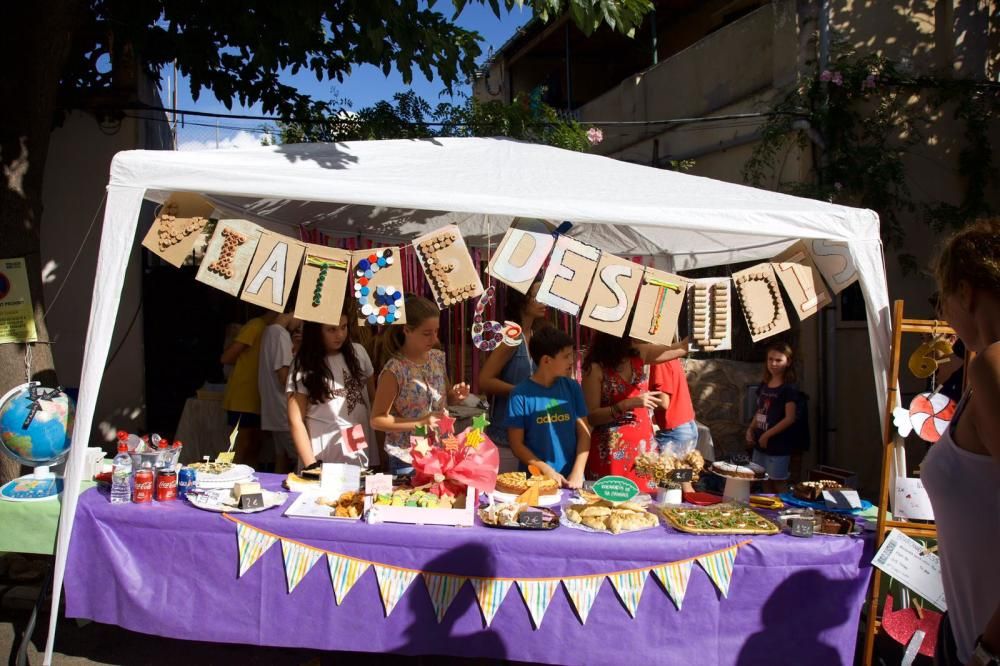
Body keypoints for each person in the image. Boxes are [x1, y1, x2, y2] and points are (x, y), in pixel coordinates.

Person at [920, 219, 1000, 666]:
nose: (944, 314)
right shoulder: (980, 367)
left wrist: (989, 649)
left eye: (942, 300)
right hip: (968, 628)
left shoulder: (995, 362)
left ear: (966, 291)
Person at [370, 295, 470, 474]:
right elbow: (377, 420)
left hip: (442, 452)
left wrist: (455, 395)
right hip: (408, 459)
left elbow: (444, 399)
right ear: (407, 330)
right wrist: (420, 422)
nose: (433, 338)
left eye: (436, 332)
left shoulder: (436, 358)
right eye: (426, 333)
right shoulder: (394, 370)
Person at [583, 331, 688, 493]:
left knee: (645, 505)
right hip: (610, 455)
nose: (638, 337)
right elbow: (592, 417)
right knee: (610, 506)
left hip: (643, 451)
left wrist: (701, 333)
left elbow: (678, 349)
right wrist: (626, 404)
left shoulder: (640, 353)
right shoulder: (595, 369)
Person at [505, 326, 590, 488]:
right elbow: (516, 444)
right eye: (565, 357)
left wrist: (578, 471)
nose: (571, 361)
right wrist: (546, 470)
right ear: (546, 360)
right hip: (535, 482)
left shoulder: (572, 388)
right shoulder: (520, 394)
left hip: (573, 480)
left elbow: (585, 434)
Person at [287, 316, 376, 470]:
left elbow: (374, 404)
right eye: (331, 329)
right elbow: (295, 420)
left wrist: (379, 454)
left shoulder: (359, 353)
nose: (340, 335)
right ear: (316, 331)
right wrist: (311, 465)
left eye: (344, 327)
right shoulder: (302, 364)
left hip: (358, 455)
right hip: (321, 457)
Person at [478, 280, 548, 472]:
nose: (544, 302)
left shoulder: (537, 335)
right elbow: (484, 380)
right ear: (521, 300)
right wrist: (522, 391)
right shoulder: (511, 336)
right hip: (505, 437)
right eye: (536, 296)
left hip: (532, 437)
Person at [221, 311, 276, 465]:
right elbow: (226, 357)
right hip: (243, 395)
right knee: (241, 446)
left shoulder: (272, 329)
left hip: (259, 396)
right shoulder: (256, 325)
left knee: (255, 447)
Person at [745, 341, 798, 494]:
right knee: (764, 481)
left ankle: (783, 515)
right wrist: (751, 429)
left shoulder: (789, 388)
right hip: (761, 442)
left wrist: (768, 435)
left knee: (778, 482)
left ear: (788, 362)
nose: (773, 364)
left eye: (778, 360)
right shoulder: (765, 384)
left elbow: (790, 418)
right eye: (770, 359)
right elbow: (760, 410)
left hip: (778, 445)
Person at [258, 312, 300, 473]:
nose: (298, 327)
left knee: (281, 457)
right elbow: (284, 377)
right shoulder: (281, 334)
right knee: (300, 459)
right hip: (284, 408)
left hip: (272, 408)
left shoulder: (268, 331)